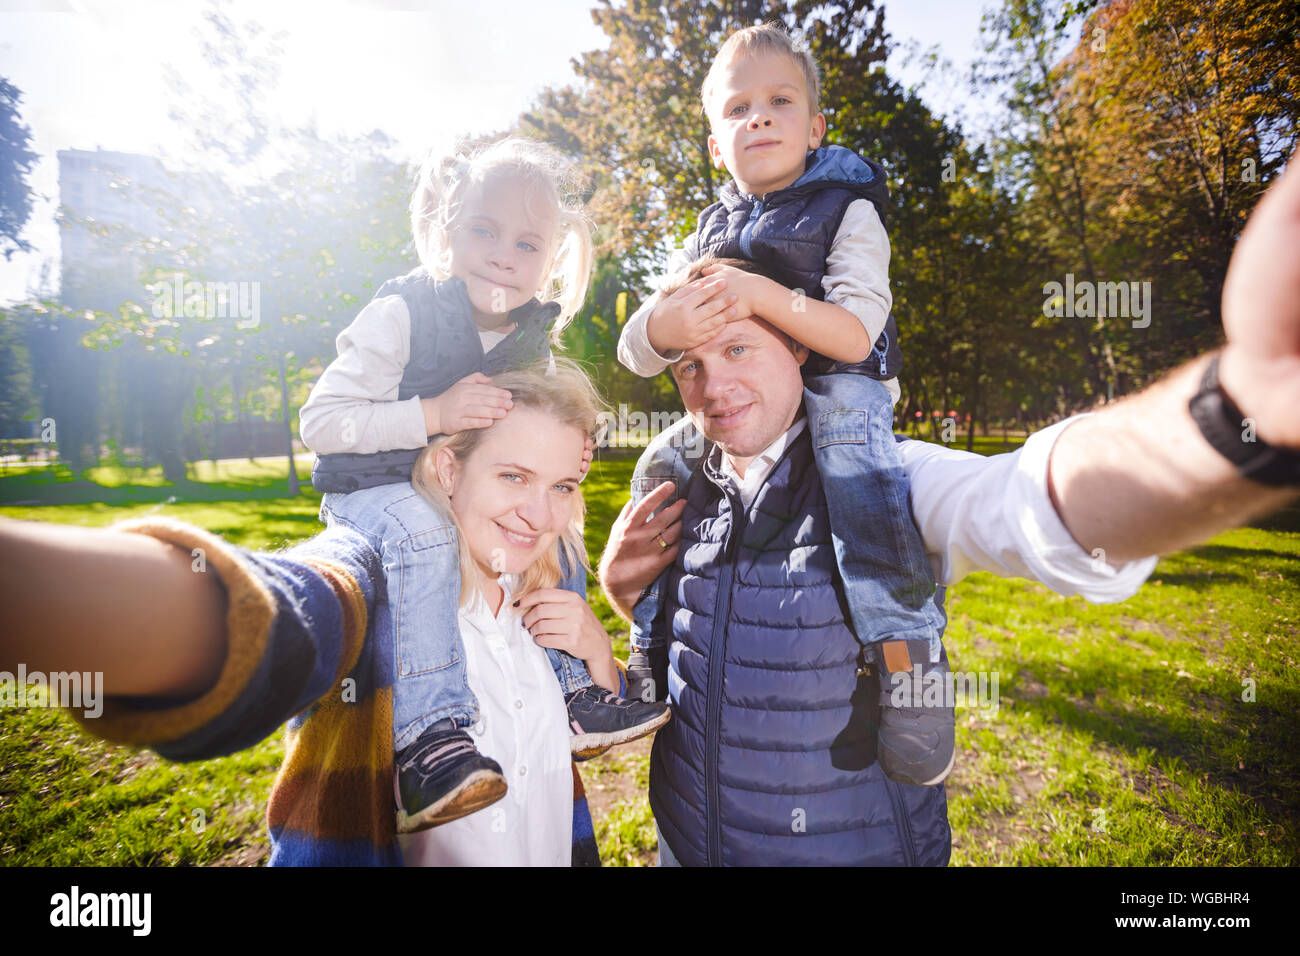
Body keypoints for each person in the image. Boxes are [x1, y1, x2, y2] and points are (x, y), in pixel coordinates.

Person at [599, 152, 1300, 865]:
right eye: (690, 366)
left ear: (798, 346)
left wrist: (1238, 415)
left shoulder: (878, 476)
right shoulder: (680, 483)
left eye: (739, 348)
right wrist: (622, 590)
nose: (714, 385)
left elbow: (1026, 505)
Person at [1, 360, 637, 866]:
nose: (540, 514)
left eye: (561, 486)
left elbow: (554, 760)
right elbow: (281, 612)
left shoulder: (546, 598)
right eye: (514, 477)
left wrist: (597, 662)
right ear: (448, 468)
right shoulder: (380, 588)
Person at [614, 22, 953, 788]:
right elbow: (637, 353)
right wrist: (664, 324)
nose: (758, 118)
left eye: (778, 101)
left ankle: (912, 664)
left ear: (816, 126)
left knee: (858, 476)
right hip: (748, 392)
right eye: (736, 109)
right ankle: (648, 645)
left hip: (842, 385)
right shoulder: (707, 231)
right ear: (713, 144)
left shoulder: (847, 208)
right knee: (661, 460)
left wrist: (765, 295)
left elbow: (855, 331)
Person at [298, 137, 667, 834]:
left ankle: (576, 692)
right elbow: (321, 420)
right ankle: (430, 741)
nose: (504, 254)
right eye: (483, 230)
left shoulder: (529, 336)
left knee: (559, 524)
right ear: (447, 232)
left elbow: (538, 412)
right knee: (425, 535)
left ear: (552, 260)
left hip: (444, 479)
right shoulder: (404, 312)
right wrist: (432, 415)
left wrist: (567, 455)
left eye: (528, 244)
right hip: (370, 489)